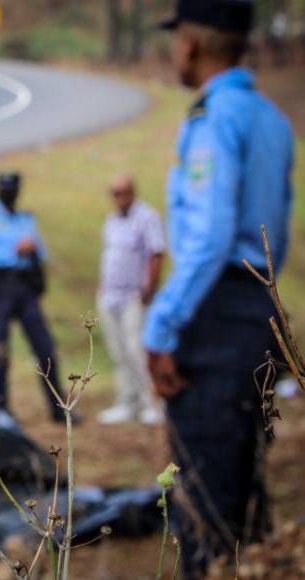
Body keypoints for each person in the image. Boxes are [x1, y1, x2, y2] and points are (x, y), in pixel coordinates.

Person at [145, 1, 294, 577]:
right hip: (259, 305)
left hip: (215, 307)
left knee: (202, 489)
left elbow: (208, 238)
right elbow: (273, 233)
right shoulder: (272, 119)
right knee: (241, 469)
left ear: (191, 44)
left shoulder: (214, 119)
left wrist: (161, 327)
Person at [0, 172, 67, 423]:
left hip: (25, 290)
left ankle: (59, 408)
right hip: (0, 289)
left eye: (12, 187)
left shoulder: (26, 219)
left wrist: (31, 250)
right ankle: (1, 411)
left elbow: (40, 251)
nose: (8, 191)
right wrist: (14, 252)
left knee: (44, 348)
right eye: (4, 187)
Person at [97, 175, 165, 425]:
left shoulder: (147, 217)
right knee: (119, 352)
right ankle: (128, 402)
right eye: (114, 193)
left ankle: (152, 403)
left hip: (133, 296)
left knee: (137, 350)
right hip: (110, 295)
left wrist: (149, 287)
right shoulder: (111, 220)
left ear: (133, 192)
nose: (118, 197)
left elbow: (156, 252)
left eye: (122, 192)